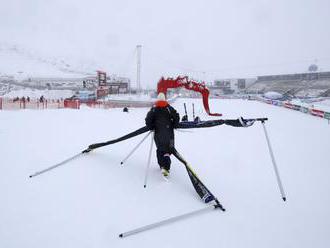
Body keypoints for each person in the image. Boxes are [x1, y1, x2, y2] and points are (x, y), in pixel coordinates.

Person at [145, 93, 180, 177]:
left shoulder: (154, 109)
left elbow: (148, 119)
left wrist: (151, 127)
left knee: (160, 149)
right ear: (164, 99)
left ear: (157, 99)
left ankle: (161, 165)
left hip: (158, 134)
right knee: (168, 150)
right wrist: (175, 125)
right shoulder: (169, 108)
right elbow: (176, 116)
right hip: (169, 133)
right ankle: (166, 167)